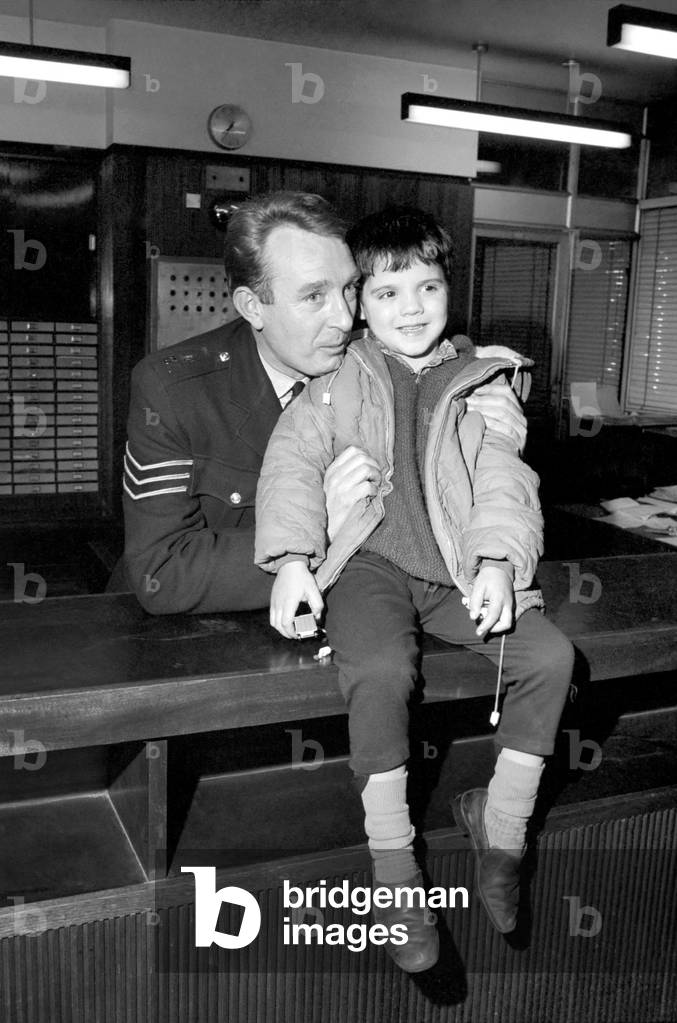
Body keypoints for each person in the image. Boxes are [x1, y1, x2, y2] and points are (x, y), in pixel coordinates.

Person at [254, 207, 575, 973]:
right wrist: (295, 558)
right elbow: (291, 465)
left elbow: (503, 482)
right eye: (390, 292)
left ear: (446, 291)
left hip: (455, 570)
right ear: (361, 302)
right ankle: (395, 871)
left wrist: (498, 562)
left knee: (551, 656)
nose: (412, 308)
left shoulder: (483, 381)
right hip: (369, 561)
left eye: (427, 287)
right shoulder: (334, 377)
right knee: (378, 670)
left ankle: (501, 835)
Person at [119, 191, 528, 614]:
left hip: (362, 617)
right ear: (252, 306)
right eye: (314, 296)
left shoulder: (366, 353)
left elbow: (437, 354)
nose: (344, 318)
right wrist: (323, 526)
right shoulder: (173, 389)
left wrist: (491, 386)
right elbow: (163, 572)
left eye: (351, 289)